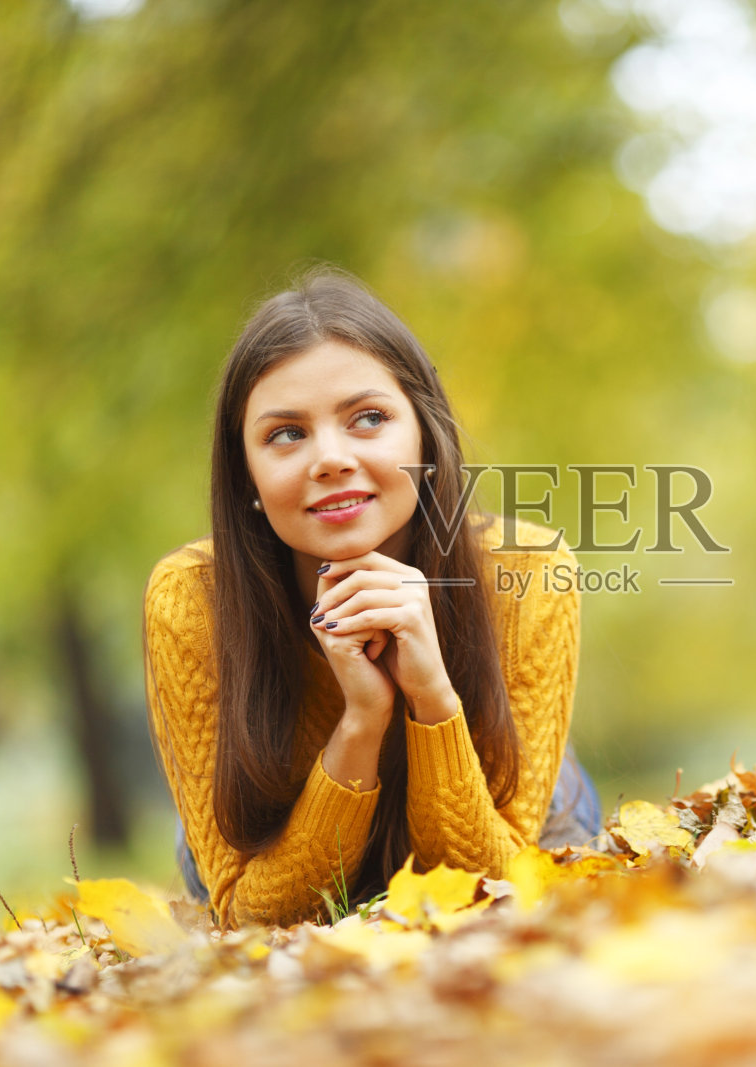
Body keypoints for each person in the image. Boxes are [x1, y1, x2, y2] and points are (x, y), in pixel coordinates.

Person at [142, 265, 602, 929]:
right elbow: (254, 915)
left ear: (426, 437)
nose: (329, 456)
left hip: (507, 822)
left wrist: (432, 697)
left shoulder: (526, 572)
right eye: (286, 433)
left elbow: (490, 892)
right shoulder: (191, 599)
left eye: (368, 418)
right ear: (245, 471)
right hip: (281, 846)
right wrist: (362, 718)